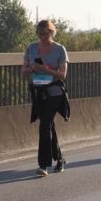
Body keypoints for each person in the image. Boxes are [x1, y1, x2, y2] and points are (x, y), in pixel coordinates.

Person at [23, 20, 70, 176]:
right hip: (38, 91)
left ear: (52, 32)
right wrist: (32, 68)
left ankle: (44, 164)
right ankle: (60, 159)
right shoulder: (31, 48)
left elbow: (62, 75)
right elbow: (23, 71)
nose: (43, 37)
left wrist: (46, 70)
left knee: (45, 125)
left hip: (55, 92)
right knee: (48, 126)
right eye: (40, 34)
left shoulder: (59, 50)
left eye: (46, 33)